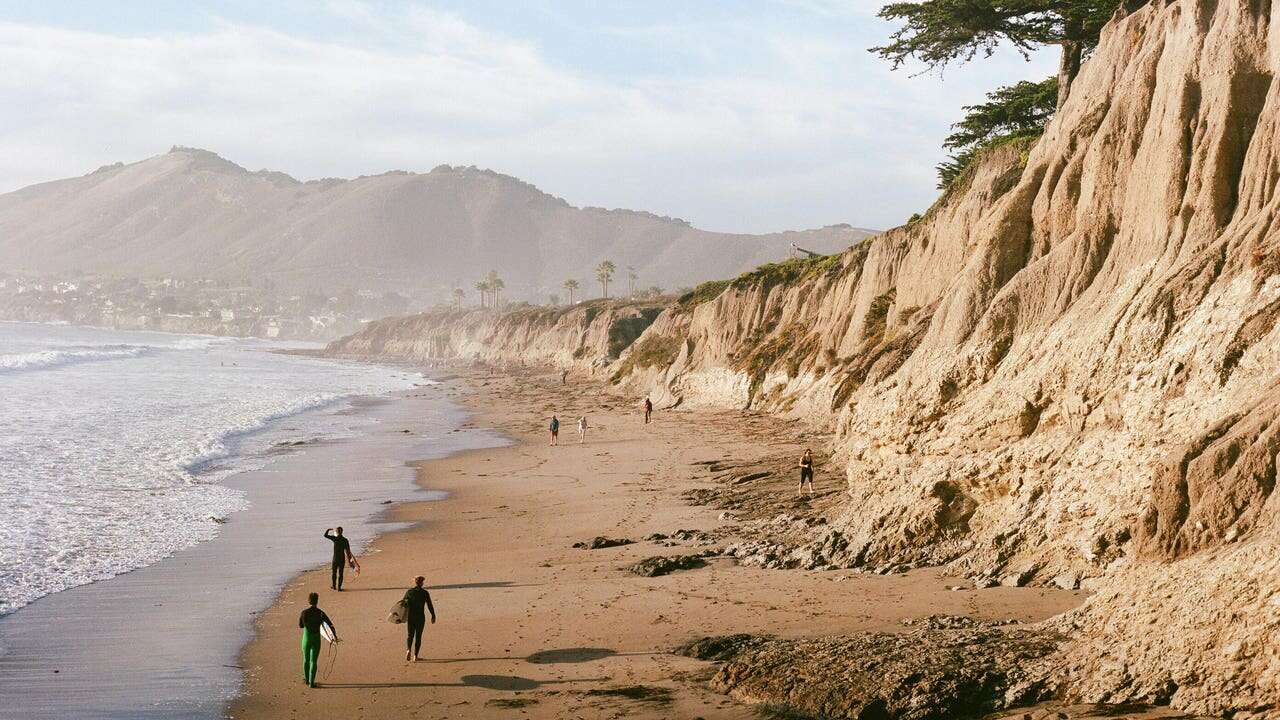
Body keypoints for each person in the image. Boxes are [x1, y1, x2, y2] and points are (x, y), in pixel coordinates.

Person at [298, 592, 336, 688]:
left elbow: (300, 625)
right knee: (314, 661)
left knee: (306, 659)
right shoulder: (320, 613)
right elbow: (330, 625)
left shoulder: (304, 613)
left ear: (309, 601)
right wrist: (334, 637)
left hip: (306, 639)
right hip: (316, 639)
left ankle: (306, 680)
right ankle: (311, 683)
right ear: (317, 601)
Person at [402, 575, 436, 661]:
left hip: (411, 617)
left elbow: (403, 604)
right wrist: (433, 615)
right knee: (418, 636)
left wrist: (401, 616)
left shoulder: (409, 592)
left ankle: (408, 649)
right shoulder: (425, 593)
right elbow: (429, 605)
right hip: (420, 617)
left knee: (410, 635)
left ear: (415, 582)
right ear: (422, 583)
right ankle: (415, 656)